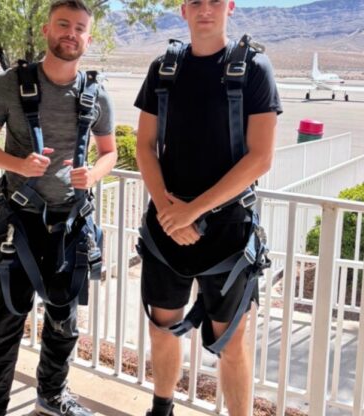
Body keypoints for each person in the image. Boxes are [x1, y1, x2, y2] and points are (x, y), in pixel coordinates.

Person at [0, 1, 117, 415]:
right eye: (64, 25)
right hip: (18, 224)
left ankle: (51, 396)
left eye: (80, 28)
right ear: (48, 30)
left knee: (64, 323)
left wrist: (94, 174)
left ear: (88, 38)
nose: (71, 33)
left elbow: (109, 151)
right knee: (2, 326)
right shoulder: (9, 85)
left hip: (70, 226)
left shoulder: (95, 93)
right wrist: (18, 164)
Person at [134, 1, 282, 415]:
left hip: (228, 233)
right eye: (195, 2)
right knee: (163, 329)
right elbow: (145, 146)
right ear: (183, 10)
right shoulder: (164, 69)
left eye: (214, 0)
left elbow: (260, 158)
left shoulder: (254, 70)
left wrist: (189, 211)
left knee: (232, 343)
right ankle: (161, 408)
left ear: (230, 6)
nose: (205, 9)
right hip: (167, 228)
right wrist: (169, 211)